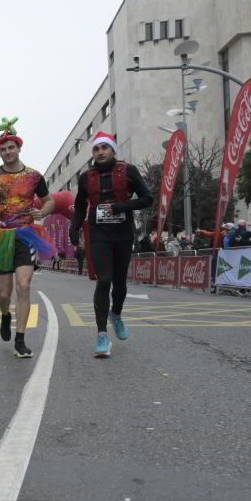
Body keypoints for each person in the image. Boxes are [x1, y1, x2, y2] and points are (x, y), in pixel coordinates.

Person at [0, 122, 53, 358]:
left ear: (18, 148)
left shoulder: (33, 176)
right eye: (3, 149)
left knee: (24, 286)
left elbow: (49, 201)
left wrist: (43, 212)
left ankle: (21, 339)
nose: (7, 152)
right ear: (0, 152)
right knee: (4, 294)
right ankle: (5, 315)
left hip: (26, 235)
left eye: (11, 147)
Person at [69, 132, 152, 358]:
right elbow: (79, 206)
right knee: (103, 280)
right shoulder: (86, 177)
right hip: (99, 234)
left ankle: (116, 314)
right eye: (96, 149)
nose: (100, 152)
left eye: (105, 148)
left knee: (119, 282)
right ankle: (102, 334)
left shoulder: (128, 171)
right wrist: (74, 228)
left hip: (123, 233)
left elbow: (147, 198)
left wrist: (123, 206)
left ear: (113, 150)